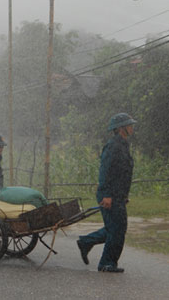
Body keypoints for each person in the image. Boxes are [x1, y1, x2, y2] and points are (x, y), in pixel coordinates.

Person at [77, 113, 136, 273]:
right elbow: (106, 172)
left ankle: (86, 242)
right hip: (108, 194)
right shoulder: (113, 146)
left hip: (118, 195)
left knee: (116, 228)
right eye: (129, 125)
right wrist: (107, 195)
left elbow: (122, 173)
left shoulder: (123, 144)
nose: (132, 127)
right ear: (121, 128)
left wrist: (123, 195)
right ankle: (106, 263)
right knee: (116, 229)